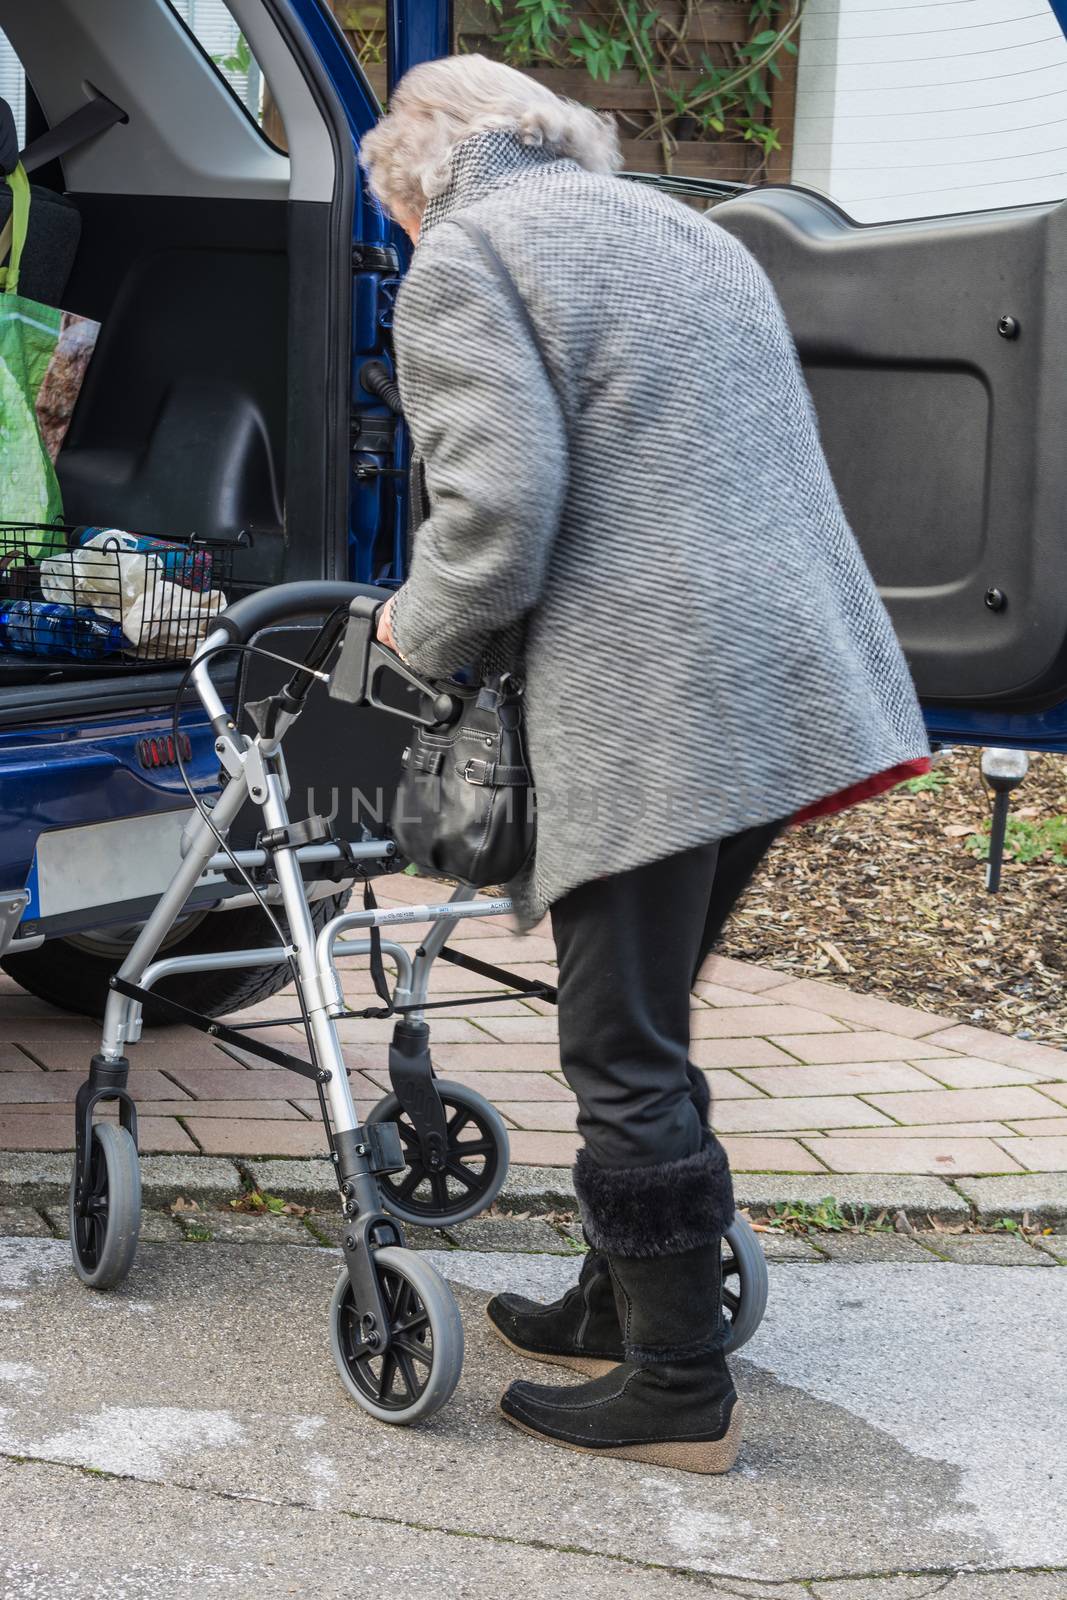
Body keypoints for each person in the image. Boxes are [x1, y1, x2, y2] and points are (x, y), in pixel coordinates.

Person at [360, 55, 930, 1473]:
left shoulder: (468, 256)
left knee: (617, 1041)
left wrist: (401, 647)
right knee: (647, 1008)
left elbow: (500, 512)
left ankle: (675, 1389)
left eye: (395, 220)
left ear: (420, 175)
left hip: (655, 693)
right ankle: (625, 1300)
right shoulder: (691, 227)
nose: (402, 247)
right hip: (790, 675)